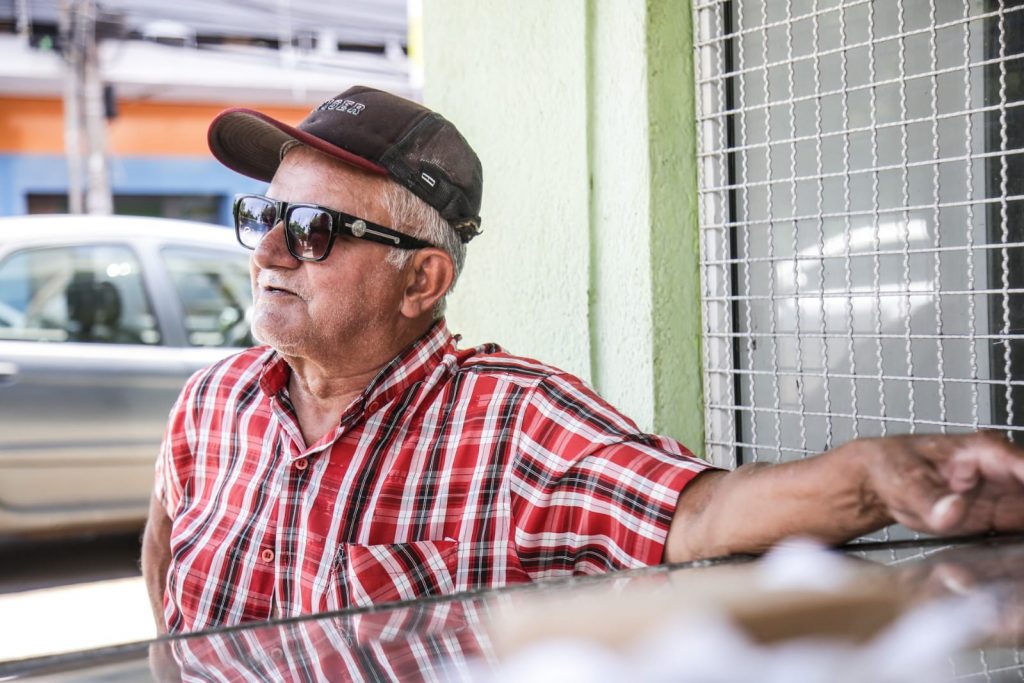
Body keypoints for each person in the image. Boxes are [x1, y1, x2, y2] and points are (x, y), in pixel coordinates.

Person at [141, 85, 1024, 636]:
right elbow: (164, 545)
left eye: (316, 231)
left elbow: (704, 511)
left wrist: (875, 478)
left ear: (423, 281)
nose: (270, 253)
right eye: (266, 218)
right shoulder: (213, 400)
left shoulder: (516, 422)